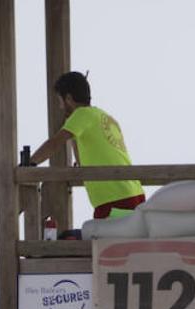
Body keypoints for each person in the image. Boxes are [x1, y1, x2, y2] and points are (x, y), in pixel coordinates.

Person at [29, 71, 145, 219]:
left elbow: (55, 143)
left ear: (68, 98)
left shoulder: (81, 114)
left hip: (114, 198)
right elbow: (82, 160)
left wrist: (30, 163)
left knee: (97, 240)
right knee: (115, 240)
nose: (59, 107)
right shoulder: (104, 117)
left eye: (59, 101)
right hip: (135, 194)